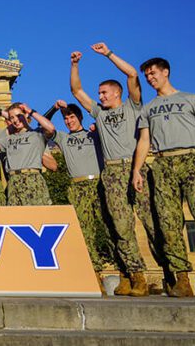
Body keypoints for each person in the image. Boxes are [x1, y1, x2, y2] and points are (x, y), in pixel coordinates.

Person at [71, 44, 167, 296]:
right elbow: (76, 90)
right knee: (120, 226)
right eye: (99, 93)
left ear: (117, 93)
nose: (100, 96)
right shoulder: (98, 114)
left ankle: (169, 273)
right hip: (112, 173)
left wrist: (108, 54)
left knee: (151, 222)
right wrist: (75, 64)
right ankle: (133, 275)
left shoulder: (132, 107)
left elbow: (133, 74)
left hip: (136, 167)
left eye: (103, 93)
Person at [132, 57, 195, 299]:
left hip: (190, 159)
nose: (150, 78)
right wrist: (136, 170)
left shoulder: (190, 99)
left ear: (166, 72)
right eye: (147, 76)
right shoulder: (148, 108)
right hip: (162, 163)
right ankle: (182, 280)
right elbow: (144, 141)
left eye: (153, 73)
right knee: (169, 222)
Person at [48, 100, 115, 294]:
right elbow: (43, 124)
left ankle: (126, 272)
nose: (69, 121)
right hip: (77, 185)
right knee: (85, 231)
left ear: (80, 118)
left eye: (72, 117)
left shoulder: (94, 134)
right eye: (66, 118)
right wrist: (54, 109)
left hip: (98, 183)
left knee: (111, 225)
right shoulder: (62, 138)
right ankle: (94, 273)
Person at [0, 100, 56, 205]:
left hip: (33, 180)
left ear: (25, 115)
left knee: (38, 216)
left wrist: (31, 112)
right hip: (13, 182)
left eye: (18, 116)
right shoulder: (8, 139)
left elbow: (51, 128)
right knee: (17, 219)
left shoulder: (37, 134)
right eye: (12, 118)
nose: (15, 120)